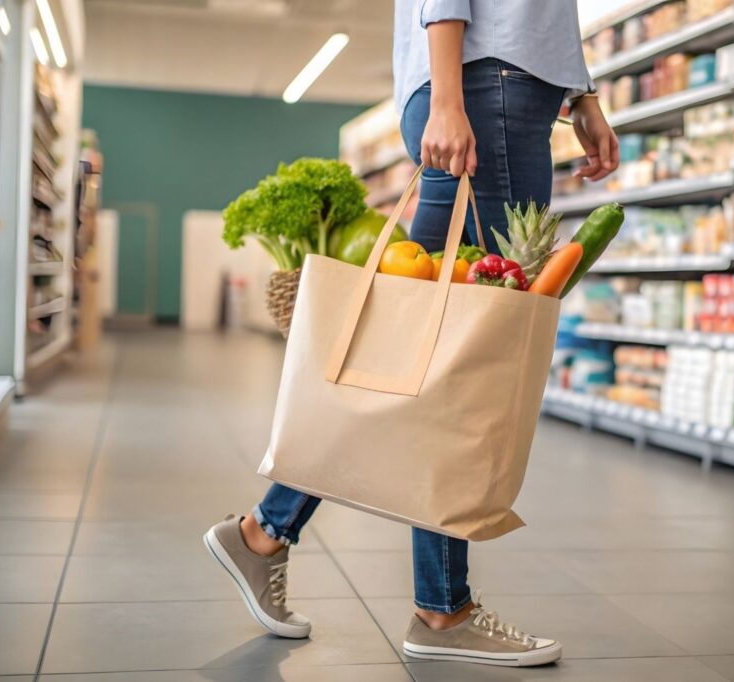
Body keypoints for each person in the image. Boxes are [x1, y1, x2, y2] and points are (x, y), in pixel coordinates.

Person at [204, 0, 619, 668]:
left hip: (505, 85)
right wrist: (450, 99)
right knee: (462, 351)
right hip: (488, 86)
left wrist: (580, 93)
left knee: (416, 341)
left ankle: (266, 532)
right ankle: (440, 606)